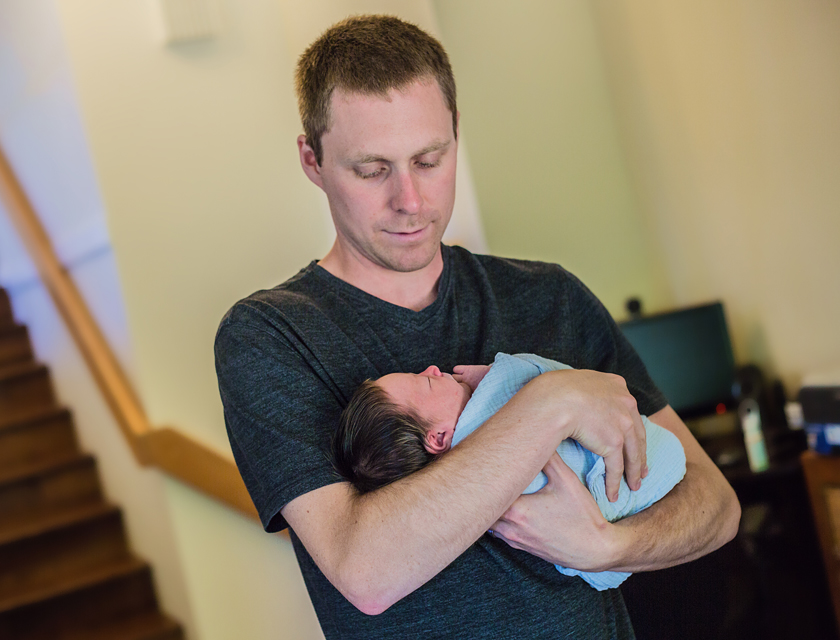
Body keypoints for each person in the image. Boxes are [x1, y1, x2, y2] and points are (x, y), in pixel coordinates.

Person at [214, 14, 740, 639]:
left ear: (456, 136)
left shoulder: (549, 296)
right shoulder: (270, 336)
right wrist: (552, 400)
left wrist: (604, 547)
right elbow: (366, 571)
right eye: (372, 169)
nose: (410, 200)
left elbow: (716, 505)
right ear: (313, 159)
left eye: (429, 159)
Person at [332, 352, 688, 590]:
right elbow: (547, 379)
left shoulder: (475, 499)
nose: (433, 369)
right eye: (424, 381)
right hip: (643, 470)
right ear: (439, 438)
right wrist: (498, 374)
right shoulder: (493, 416)